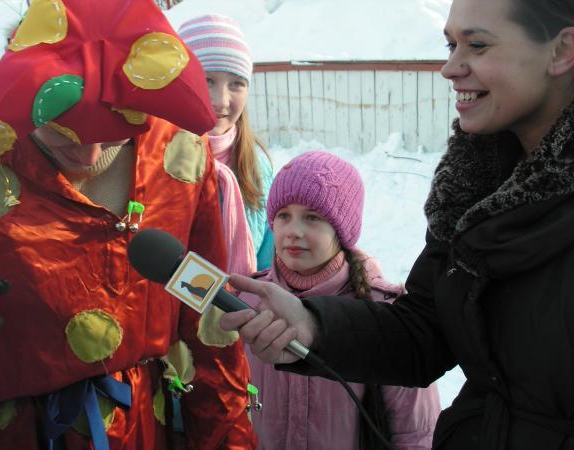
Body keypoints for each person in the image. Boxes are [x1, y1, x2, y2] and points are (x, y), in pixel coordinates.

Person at [220, 0, 574, 448]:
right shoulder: (472, 193)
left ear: (561, 51)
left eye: (477, 45)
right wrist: (314, 326)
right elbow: (422, 332)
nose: (450, 68)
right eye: (451, 44)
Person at [0, 1, 256, 449]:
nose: (89, 158)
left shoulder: (179, 150)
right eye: (59, 131)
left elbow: (204, 310)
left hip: (136, 429)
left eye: (110, 137)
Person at [238, 150, 441, 449]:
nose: (294, 231)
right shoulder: (248, 302)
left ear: (342, 230)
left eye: (312, 217)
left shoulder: (382, 315)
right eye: (284, 215)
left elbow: (416, 432)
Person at [178, 15, 274, 275]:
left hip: (243, 309)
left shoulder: (257, 166)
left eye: (236, 84)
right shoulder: (151, 159)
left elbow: (270, 260)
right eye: (207, 80)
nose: (222, 101)